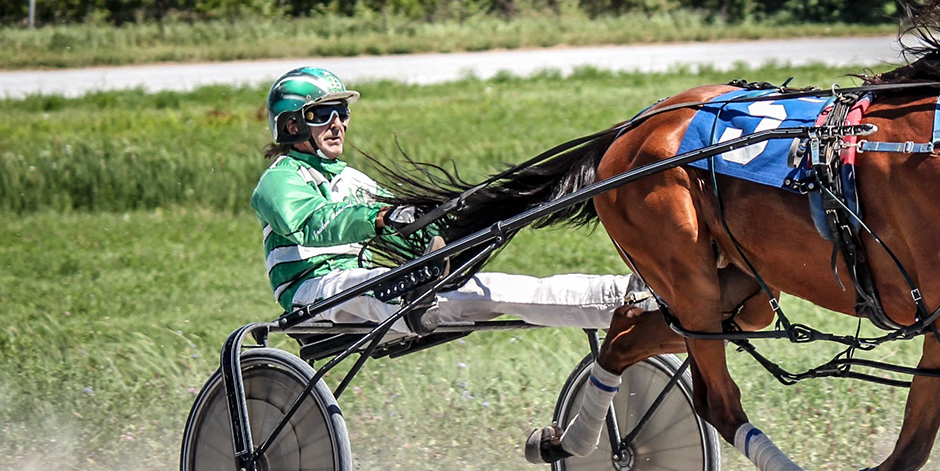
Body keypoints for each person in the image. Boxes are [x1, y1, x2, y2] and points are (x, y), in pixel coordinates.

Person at [251, 66, 646, 331]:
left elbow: (402, 225)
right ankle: (415, 299)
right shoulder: (279, 180)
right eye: (322, 114)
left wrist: (445, 229)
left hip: (362, 286)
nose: (337, 123)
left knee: (492, 289)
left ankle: (618, 298)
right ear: (291, 125)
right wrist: (384, 218)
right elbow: (310, 222)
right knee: (418, 290)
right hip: (313, 292)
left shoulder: (353, 178)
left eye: (341, 111)